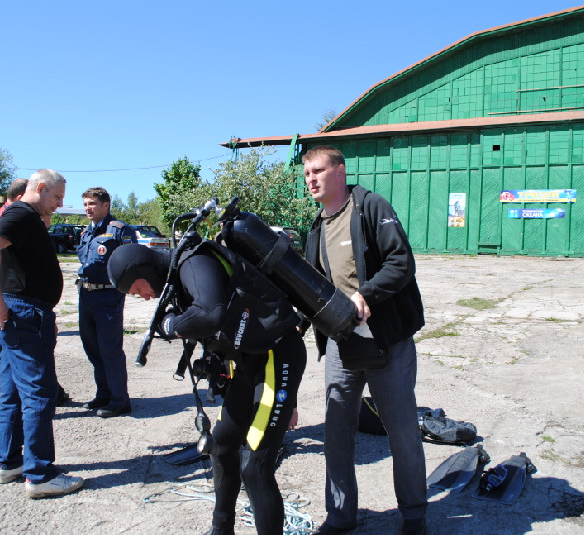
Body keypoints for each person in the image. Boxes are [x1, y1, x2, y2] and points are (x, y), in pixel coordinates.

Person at [107, 241, 306, 535]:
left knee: (255, 466)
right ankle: (221, 529)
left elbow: (210, 314)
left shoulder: (192, 260)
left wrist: (171, 325)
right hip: (251, 359)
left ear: (142, 269)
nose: (145, 297)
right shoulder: (178, 277)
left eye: (138, 289)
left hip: (277, 355)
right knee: (223, 446)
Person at [301, 145, 427, 535]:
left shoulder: (370, 207)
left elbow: (401, 262)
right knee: (336, 433)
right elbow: (311, 290)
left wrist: (365, 296)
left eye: (318, 171)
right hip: (341, 344)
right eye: (307, 175)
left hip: (386, 340)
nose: (311, 180)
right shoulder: (317, 228)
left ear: (339, 171)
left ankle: (414, 516)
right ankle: (340, 516)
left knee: (402, 431)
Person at [0, 169, 84, 499]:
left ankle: (8, 462)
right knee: (39, 391)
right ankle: (40, 474)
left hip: (21, 310)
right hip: (23, 311)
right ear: (39, 188)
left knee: (10, 390)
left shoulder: (23, 216)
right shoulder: (22, 213)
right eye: (56, 197)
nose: (60, 204)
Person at [76, 187, 136, 418]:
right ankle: (104, 394)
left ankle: (120, 400)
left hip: (108, 297)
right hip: (86, 295)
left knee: (109, 350)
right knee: (92, 348)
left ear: (105, 205)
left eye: (92, 203)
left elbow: (132, 262)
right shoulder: (86, 233)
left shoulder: (119, 231)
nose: (87, 208)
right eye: (85, 204)